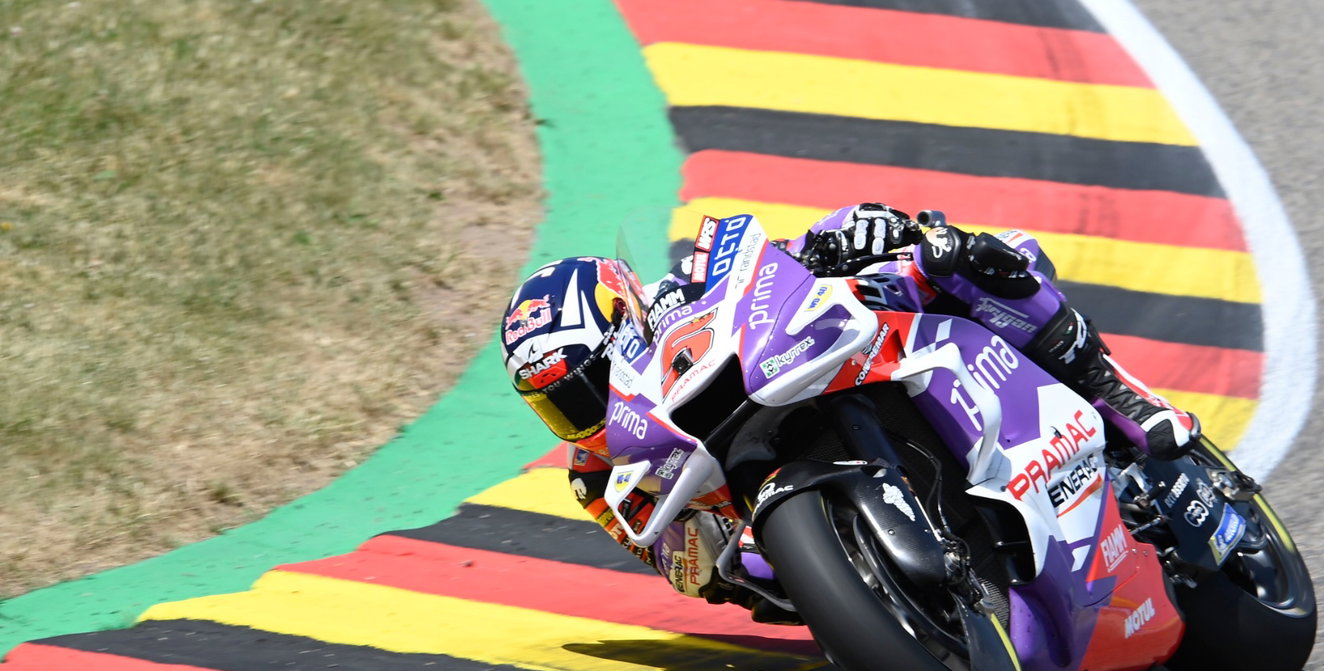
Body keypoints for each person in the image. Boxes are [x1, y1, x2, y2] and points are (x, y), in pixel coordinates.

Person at [499, 203, 1201, 614]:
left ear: (623, 323)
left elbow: (764, 270)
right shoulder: (601, 476)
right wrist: (717, 556)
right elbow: (689, 576)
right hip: (782, 520)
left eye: (582, 387)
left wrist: (845, 241)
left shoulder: (680, 296)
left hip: (823, 366)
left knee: (941, 254)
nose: (580, 415)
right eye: (558, 407)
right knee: (756, 574)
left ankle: (1107, 387)